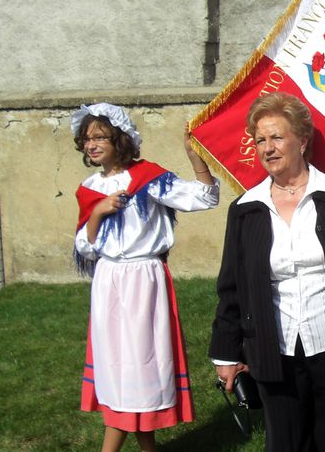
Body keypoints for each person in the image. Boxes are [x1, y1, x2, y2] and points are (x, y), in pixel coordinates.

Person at [208, 92, 325, 452]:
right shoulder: (246, 209)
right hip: (273, 348)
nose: (268, 147)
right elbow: (232, 286)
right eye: (260, 140)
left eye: (277, 137)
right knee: (285, 444)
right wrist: (226, 354)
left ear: (303, 140)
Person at [73, 102, 219, 452]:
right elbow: (85, 247)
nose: (91, 145)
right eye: (86, 139)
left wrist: (194, 155)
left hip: (143, 280)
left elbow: (205, 197)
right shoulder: (90, 186)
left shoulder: (149, 178)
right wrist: (97, 212)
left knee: (140, 364)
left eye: (99, 137)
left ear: (119, 138)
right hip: (108, 280)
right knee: (115, 363)